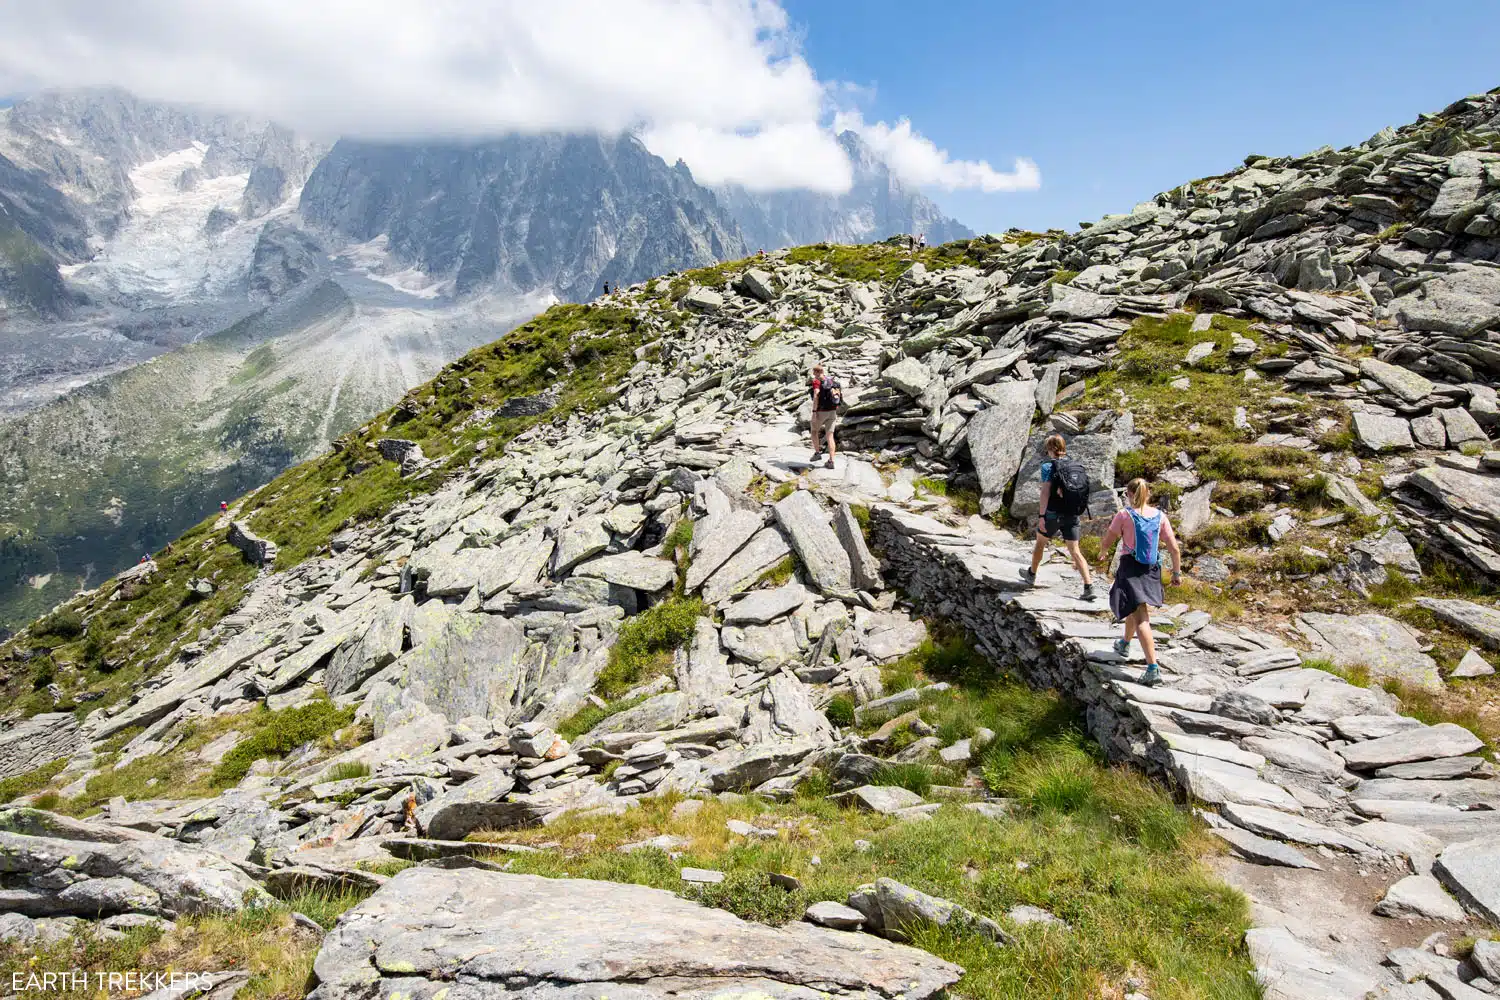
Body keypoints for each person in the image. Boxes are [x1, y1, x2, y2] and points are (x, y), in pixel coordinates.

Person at [1097, 479, 1182, 687]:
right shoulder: (1160, 516)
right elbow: (1174, 548)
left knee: (1142, 617)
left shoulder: (1125, 515)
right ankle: (1125, 643)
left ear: (1128, 494)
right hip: (1151, 569)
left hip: (1131, 567)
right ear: (1148, 493)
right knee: (1134, 607)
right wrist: (1176, 572)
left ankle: (1152, 667)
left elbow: (1110, 536)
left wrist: (1103, 551)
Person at [1019, 434, 1095, 600]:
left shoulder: (1048, 467)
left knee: (1040, 543)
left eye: (1047, 448)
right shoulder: (1076, 465)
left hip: (1053, 514)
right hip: (1072, 514)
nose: (1047, 451)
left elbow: (1045, 492)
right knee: (1075, 551)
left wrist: (1041, 515)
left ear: (1052, 448)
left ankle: (1031, 574)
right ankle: (1089, 586)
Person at [808, 364, 842, 470]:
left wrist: (814, 412)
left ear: (818, 372)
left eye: (814, 372)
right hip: (833, 411)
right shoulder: (831, 381)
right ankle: (831, 461)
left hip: (821, 412)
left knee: (814, 431)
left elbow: (816, 395)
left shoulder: (817, 381)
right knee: (830, 436)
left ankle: (817, 453)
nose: (813, 374)